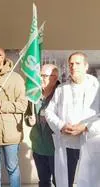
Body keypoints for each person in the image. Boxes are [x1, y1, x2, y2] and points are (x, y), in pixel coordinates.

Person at [45, 52, 100, 187]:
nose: (73, 67)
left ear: (86, 66)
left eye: (77, 63)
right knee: (65, 181)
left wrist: (86, 127)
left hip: (90, 141)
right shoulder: (61, 89)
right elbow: (49, 112)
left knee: (90, 180)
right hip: (67, 143)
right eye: (71, 64)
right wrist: (61, 125)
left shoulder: (97, 88)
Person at [0, 45, 28, 187]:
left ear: (2, 57)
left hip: (10, 133)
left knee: (12, 168)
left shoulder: (16, 79)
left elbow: (23, 105)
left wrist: (1, 104)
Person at [25, 64, 60, 187]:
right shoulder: (34, 94)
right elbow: (27, 115)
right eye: (40, 75)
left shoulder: (61, 94)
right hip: (38, 146)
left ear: (55, 78)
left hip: (55, 147)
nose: (40, 79)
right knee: (44, 182)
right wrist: (29, 120)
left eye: (44, 76)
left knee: (59, 181)